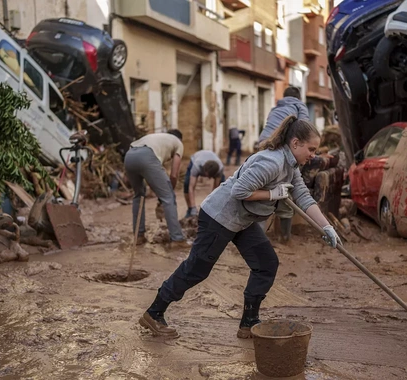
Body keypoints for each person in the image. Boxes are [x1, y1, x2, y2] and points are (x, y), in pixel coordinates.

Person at [138, 116, 342, 338]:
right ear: (295, 143)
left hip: (243, 220)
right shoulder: (272, 162)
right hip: (219, 216)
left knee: (266, 263)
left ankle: (249, 322)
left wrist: (326, 227)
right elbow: (239, 191)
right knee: (197, 269)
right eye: (311, 149)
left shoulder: (290, 165)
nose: (313, 155)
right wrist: (272, 194)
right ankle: (154, 313)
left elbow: (303, 196)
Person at [257, 86, 310, 242]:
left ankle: (258, 237)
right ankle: (285, 237)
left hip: (262, 147)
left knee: (263, 191)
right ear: (299, 98)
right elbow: (305, 131)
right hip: (281, 150)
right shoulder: (300, 106)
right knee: (287, 191)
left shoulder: (275, 109)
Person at [124, 129, 189, 247]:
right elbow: (174, 175)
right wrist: (169, 191)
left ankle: (138, 236)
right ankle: (177, 239)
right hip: (147, 156)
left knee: (138, 195)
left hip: (129, 156)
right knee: (169, 197)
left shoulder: (156, 138)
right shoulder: (178, 143)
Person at [184, 150, 226, 218]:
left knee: (222, 189)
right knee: (187, 184)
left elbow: (215, 190)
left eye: (209, 177)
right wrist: (193, 207)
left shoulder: (220, 169)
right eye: (206, 175)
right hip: (196, 158)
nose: (207, 178)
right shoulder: (196, 166)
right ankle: (190, 210)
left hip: (215, 166)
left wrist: (211, 208)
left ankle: (219, 211)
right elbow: (191, 187)